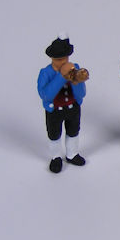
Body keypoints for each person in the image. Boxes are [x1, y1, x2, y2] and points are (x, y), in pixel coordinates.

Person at [37, 33, 89, 172]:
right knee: (54, 134)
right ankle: (56, 157)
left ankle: (72, 154)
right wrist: (61, 76)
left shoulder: (74, 68)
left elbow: (81, 93)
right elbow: (46, 95)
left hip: (72, 108)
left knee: (73, 131)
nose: (62, 62)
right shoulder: (46, 73)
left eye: (65, 58)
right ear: (52, 59)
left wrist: (76, 79)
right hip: (55, 110)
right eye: (59, 59)